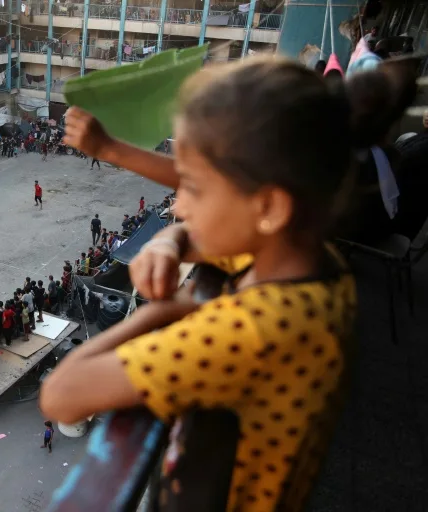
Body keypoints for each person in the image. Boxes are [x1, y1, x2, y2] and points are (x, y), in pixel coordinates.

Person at [44, 57, 416, 510]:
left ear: (270, 207)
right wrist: (170, 242)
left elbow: (62, 395)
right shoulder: (312, 261)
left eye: (195, 187)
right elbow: (208, 239)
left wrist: (163, 311)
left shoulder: (252, 332)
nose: (178, 201)